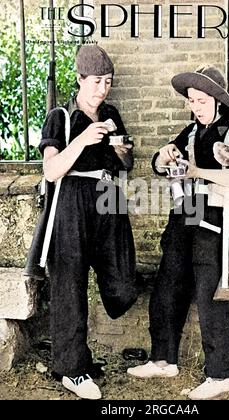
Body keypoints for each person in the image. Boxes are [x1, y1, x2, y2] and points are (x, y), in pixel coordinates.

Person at [127, 66, 229, 400]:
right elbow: (159, 166)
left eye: (201, 101)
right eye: (191, 101)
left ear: (216, 99)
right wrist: (163, 156)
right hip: (184, 216)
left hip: (216, 221)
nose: (195, 107)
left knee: (212, 296)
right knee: (167, 287)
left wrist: (199, 170)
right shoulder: (189, 132)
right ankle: (163, 359)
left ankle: (220, 375)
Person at [37, 45, 137, 399]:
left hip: (108, 198)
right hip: (72, 201)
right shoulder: (60, 117)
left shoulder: (111, 113)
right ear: (80, 79)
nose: (102, 89)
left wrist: (123, 153)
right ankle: (73, 369)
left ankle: (81, 358)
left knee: (124, 282)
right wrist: (81, 139)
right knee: (70, 286)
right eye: (96, 81)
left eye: (108, 82)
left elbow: (126, 166)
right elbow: (51, 170)